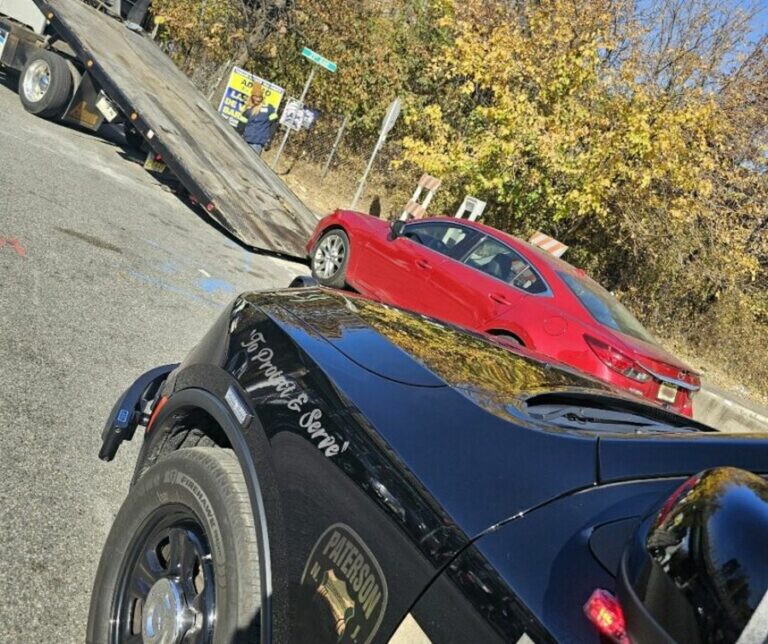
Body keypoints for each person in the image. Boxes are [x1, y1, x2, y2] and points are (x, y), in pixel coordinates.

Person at [242, 86, 278, 156]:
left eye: (259, 97)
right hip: (245, 140)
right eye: (255, 97)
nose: (257, 99)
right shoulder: (248, 109)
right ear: (252, 97)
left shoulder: (269, 108)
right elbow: (241, 126)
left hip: (257, 144)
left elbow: (274, 123)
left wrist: (269, 139)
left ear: (262, 98)